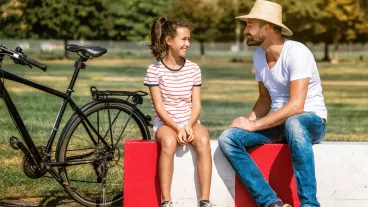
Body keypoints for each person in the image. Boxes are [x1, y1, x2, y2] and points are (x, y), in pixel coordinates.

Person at [218, 1, 327, 207]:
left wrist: (255, 125)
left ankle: (310, 204)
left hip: (310, 121)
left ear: (266, 27)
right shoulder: (259, 55)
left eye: (250, 25)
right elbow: (265, 99)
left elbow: (297, 106)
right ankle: (271, 203)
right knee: (228, 138)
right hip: (279, 124)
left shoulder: (297, 52)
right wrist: (245, 124)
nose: (245, 31)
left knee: (294, 122)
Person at [144, 17, 214, 207]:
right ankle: (166, 201)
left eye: (188, 39)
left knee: (203, 140)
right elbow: (159, 107)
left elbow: (197, 104)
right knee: (168, 141)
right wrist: (176, 128)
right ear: (168, 40)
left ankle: (205, 201)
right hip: (165, 123)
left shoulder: (193, 68)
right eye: (183, 39)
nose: (188, 44)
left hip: (189, 121)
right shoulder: (154, 70)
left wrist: (189, 126)